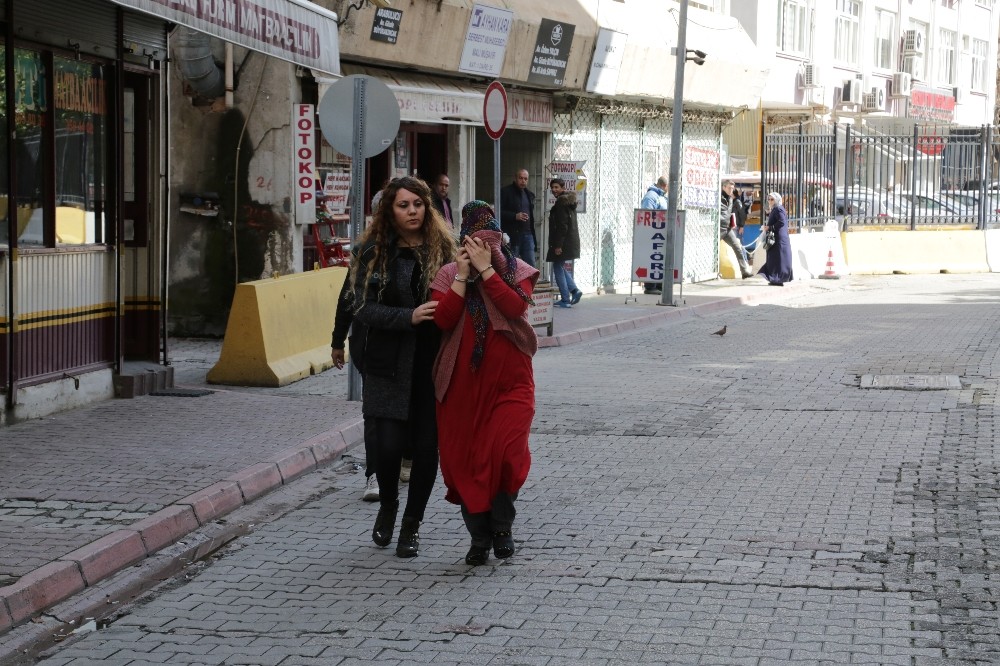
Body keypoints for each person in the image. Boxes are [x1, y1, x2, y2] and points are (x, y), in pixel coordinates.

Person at [349, 176, 456, 558]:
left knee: (427, 449)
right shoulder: (372, 250)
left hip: (432, 362)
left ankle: (412, 524)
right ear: (388, 211)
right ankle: (389, 506)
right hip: (387, 361)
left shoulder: (443, 248)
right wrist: (406, 316)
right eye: (403, 205)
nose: (412, 211)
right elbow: (359, 306)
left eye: (418, 205)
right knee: (389, 447)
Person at [430, 201, 539, 566]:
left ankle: (502, 528)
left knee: (507, 453)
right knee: (465, 463)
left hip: (511, 383)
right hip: (461, 387)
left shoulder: (516, 270)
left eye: (491, 244)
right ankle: (479, 539)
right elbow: (443, 321)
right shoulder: (447, 274)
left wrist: (488, 271)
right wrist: (463, 276)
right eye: (477, 245)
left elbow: (514, 309)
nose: (484, 250)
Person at [546, 178, 582, 308]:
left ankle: (565, 299)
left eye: (557, 187)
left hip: (564, 242)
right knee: (559, 266)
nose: (554, 190)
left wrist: (558, 245)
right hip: (570, 241)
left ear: (562, 188)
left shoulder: (561, 203)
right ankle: (574, 291)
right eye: (552, 187)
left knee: (557, 266)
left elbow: (562, 226)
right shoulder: (568, 201)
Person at [499, 168, 537, 267]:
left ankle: (529, 283)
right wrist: (514, 216)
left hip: (528, 234)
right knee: (512, 264)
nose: (523, 181)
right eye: (521, 178)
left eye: (525, 179)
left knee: (530, 265)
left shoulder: (529, 194)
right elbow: (498, 212)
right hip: (513, 235)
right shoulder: (506, 192)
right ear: (515, 178)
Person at [639, 176, 669, 294]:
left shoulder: (661, 197)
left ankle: (659, 284)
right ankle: (650, 286)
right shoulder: (651, 196)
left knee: (660, 258)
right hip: (653, 233)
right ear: (665, 186)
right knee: (652, 258)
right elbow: (647, 214)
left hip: (660, 232)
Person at [759, 191, 794, 286]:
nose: (770, 201)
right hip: (776, 238)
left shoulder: (778, 209)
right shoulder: (775, 209)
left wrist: (770, 227)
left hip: (779, 238)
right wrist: (768, 215)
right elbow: (775, 219)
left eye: (772, 199)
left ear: (777, 200)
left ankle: (778, 278)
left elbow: (781, 222)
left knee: (779, 258)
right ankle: (775, 278)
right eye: (769, 199)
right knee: (774, 258)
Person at [720, 179, 753, 279]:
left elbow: (730, 212)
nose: (731, 190)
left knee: (737, 247)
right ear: (724, 187)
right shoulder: (718, 197)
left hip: (728, 228)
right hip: (719, 227)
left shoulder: (730, 199)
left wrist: (732, 222)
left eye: (732, 188)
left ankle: (744, 271)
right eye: (729, 188)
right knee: (713, 250)